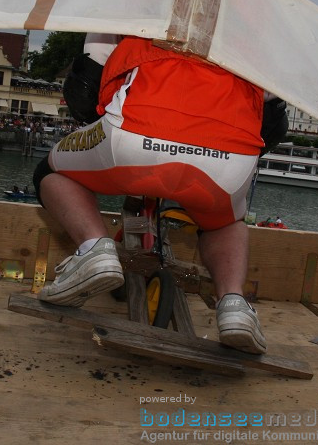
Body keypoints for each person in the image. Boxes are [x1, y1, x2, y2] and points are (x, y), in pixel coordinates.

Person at [32, 33, 285, 355]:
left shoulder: (136, 19)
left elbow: (83, 90)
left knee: (51, 172)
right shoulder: (257, 45)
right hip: (227, 158)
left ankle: (95, 250)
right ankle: (234, 304)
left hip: (134, 138)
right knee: (224, 223)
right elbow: (273, 128)